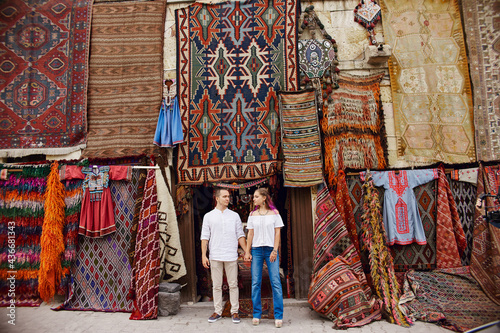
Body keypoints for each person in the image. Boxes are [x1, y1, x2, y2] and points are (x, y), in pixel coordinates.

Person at [201, 188, 248, 324]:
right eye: (225, 196)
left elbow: (240, 235)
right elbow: (204, 238)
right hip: (215, 254)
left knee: (233, 284)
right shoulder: (208, 216)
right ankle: (218, 311)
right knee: (216, 285)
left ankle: (234, 311)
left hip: (231, 254)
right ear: (217, 198)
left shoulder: (234, 216)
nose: (227, 199)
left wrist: (246, 251)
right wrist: (204, 255)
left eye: (228, 196)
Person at [244, 188, 284, 328]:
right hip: (256, 250)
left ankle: (278, 316)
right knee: (255, 282)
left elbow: (277, 233)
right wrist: (247, 252)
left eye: (256, 196)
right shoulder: (252, 214)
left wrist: (275, 250)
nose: (253, 199)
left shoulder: (275, 214)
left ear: (264, 198)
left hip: (270, 250)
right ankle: (256, 313)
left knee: (275, 282)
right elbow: (250, 234)